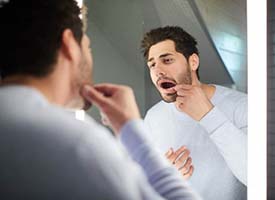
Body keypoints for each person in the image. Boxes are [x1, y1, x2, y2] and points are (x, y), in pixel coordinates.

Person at [0, 1, 201, 199]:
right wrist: (132, 130)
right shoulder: (78, 144)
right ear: (70, 44)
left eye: (166, 60)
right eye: (88, 47)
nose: (158, 71)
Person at [141, 26, 247, 200]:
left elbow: (256, 176)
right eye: (152, 64)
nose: (157, 71)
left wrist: (208, 114)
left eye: (167, 60)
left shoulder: (241, 106)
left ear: (193, 62)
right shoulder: (154, 117)